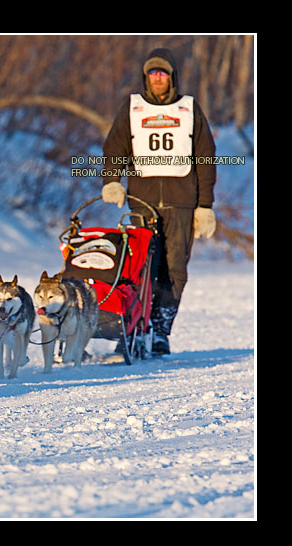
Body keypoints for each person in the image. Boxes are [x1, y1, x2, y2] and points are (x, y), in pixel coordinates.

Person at [100, 47, 217, 355]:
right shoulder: (133, 108)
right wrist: (112, 180)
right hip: (142, 202)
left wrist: (205, 206)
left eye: (163, 73)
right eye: (153, 73)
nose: (158, 78)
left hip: (182, 204)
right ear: (146, 78)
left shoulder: (189, 109)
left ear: (172, 77)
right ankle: (136, 329)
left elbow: (206, 159)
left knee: (174, 270)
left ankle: (161, 330)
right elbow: (115, 148)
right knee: (139, 269)